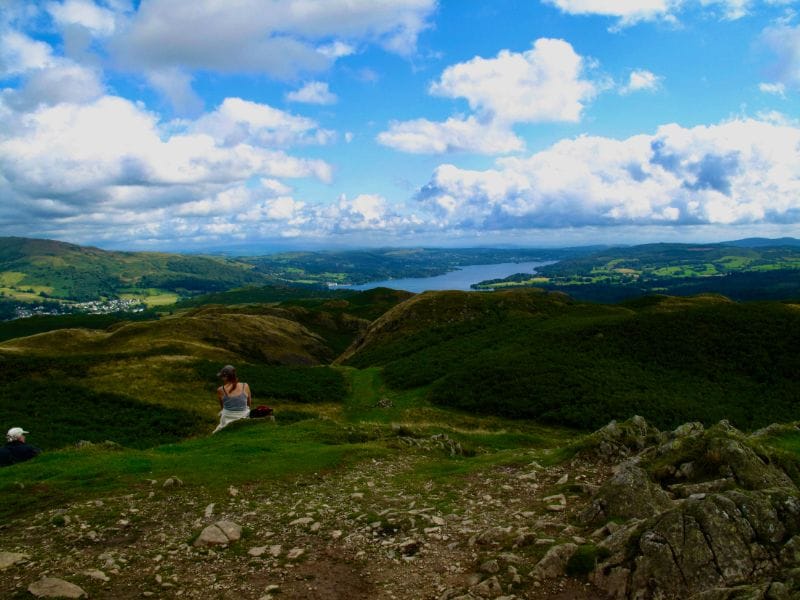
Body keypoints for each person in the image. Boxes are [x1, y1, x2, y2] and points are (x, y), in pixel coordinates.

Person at [213, 365, 251, 433]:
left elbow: (223, 408)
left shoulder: (220, 390)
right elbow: (249, 404)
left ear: (226, 377)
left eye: (222, 376)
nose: (221, 378)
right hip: (243, 415)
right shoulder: (245, 385)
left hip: (227, 417)